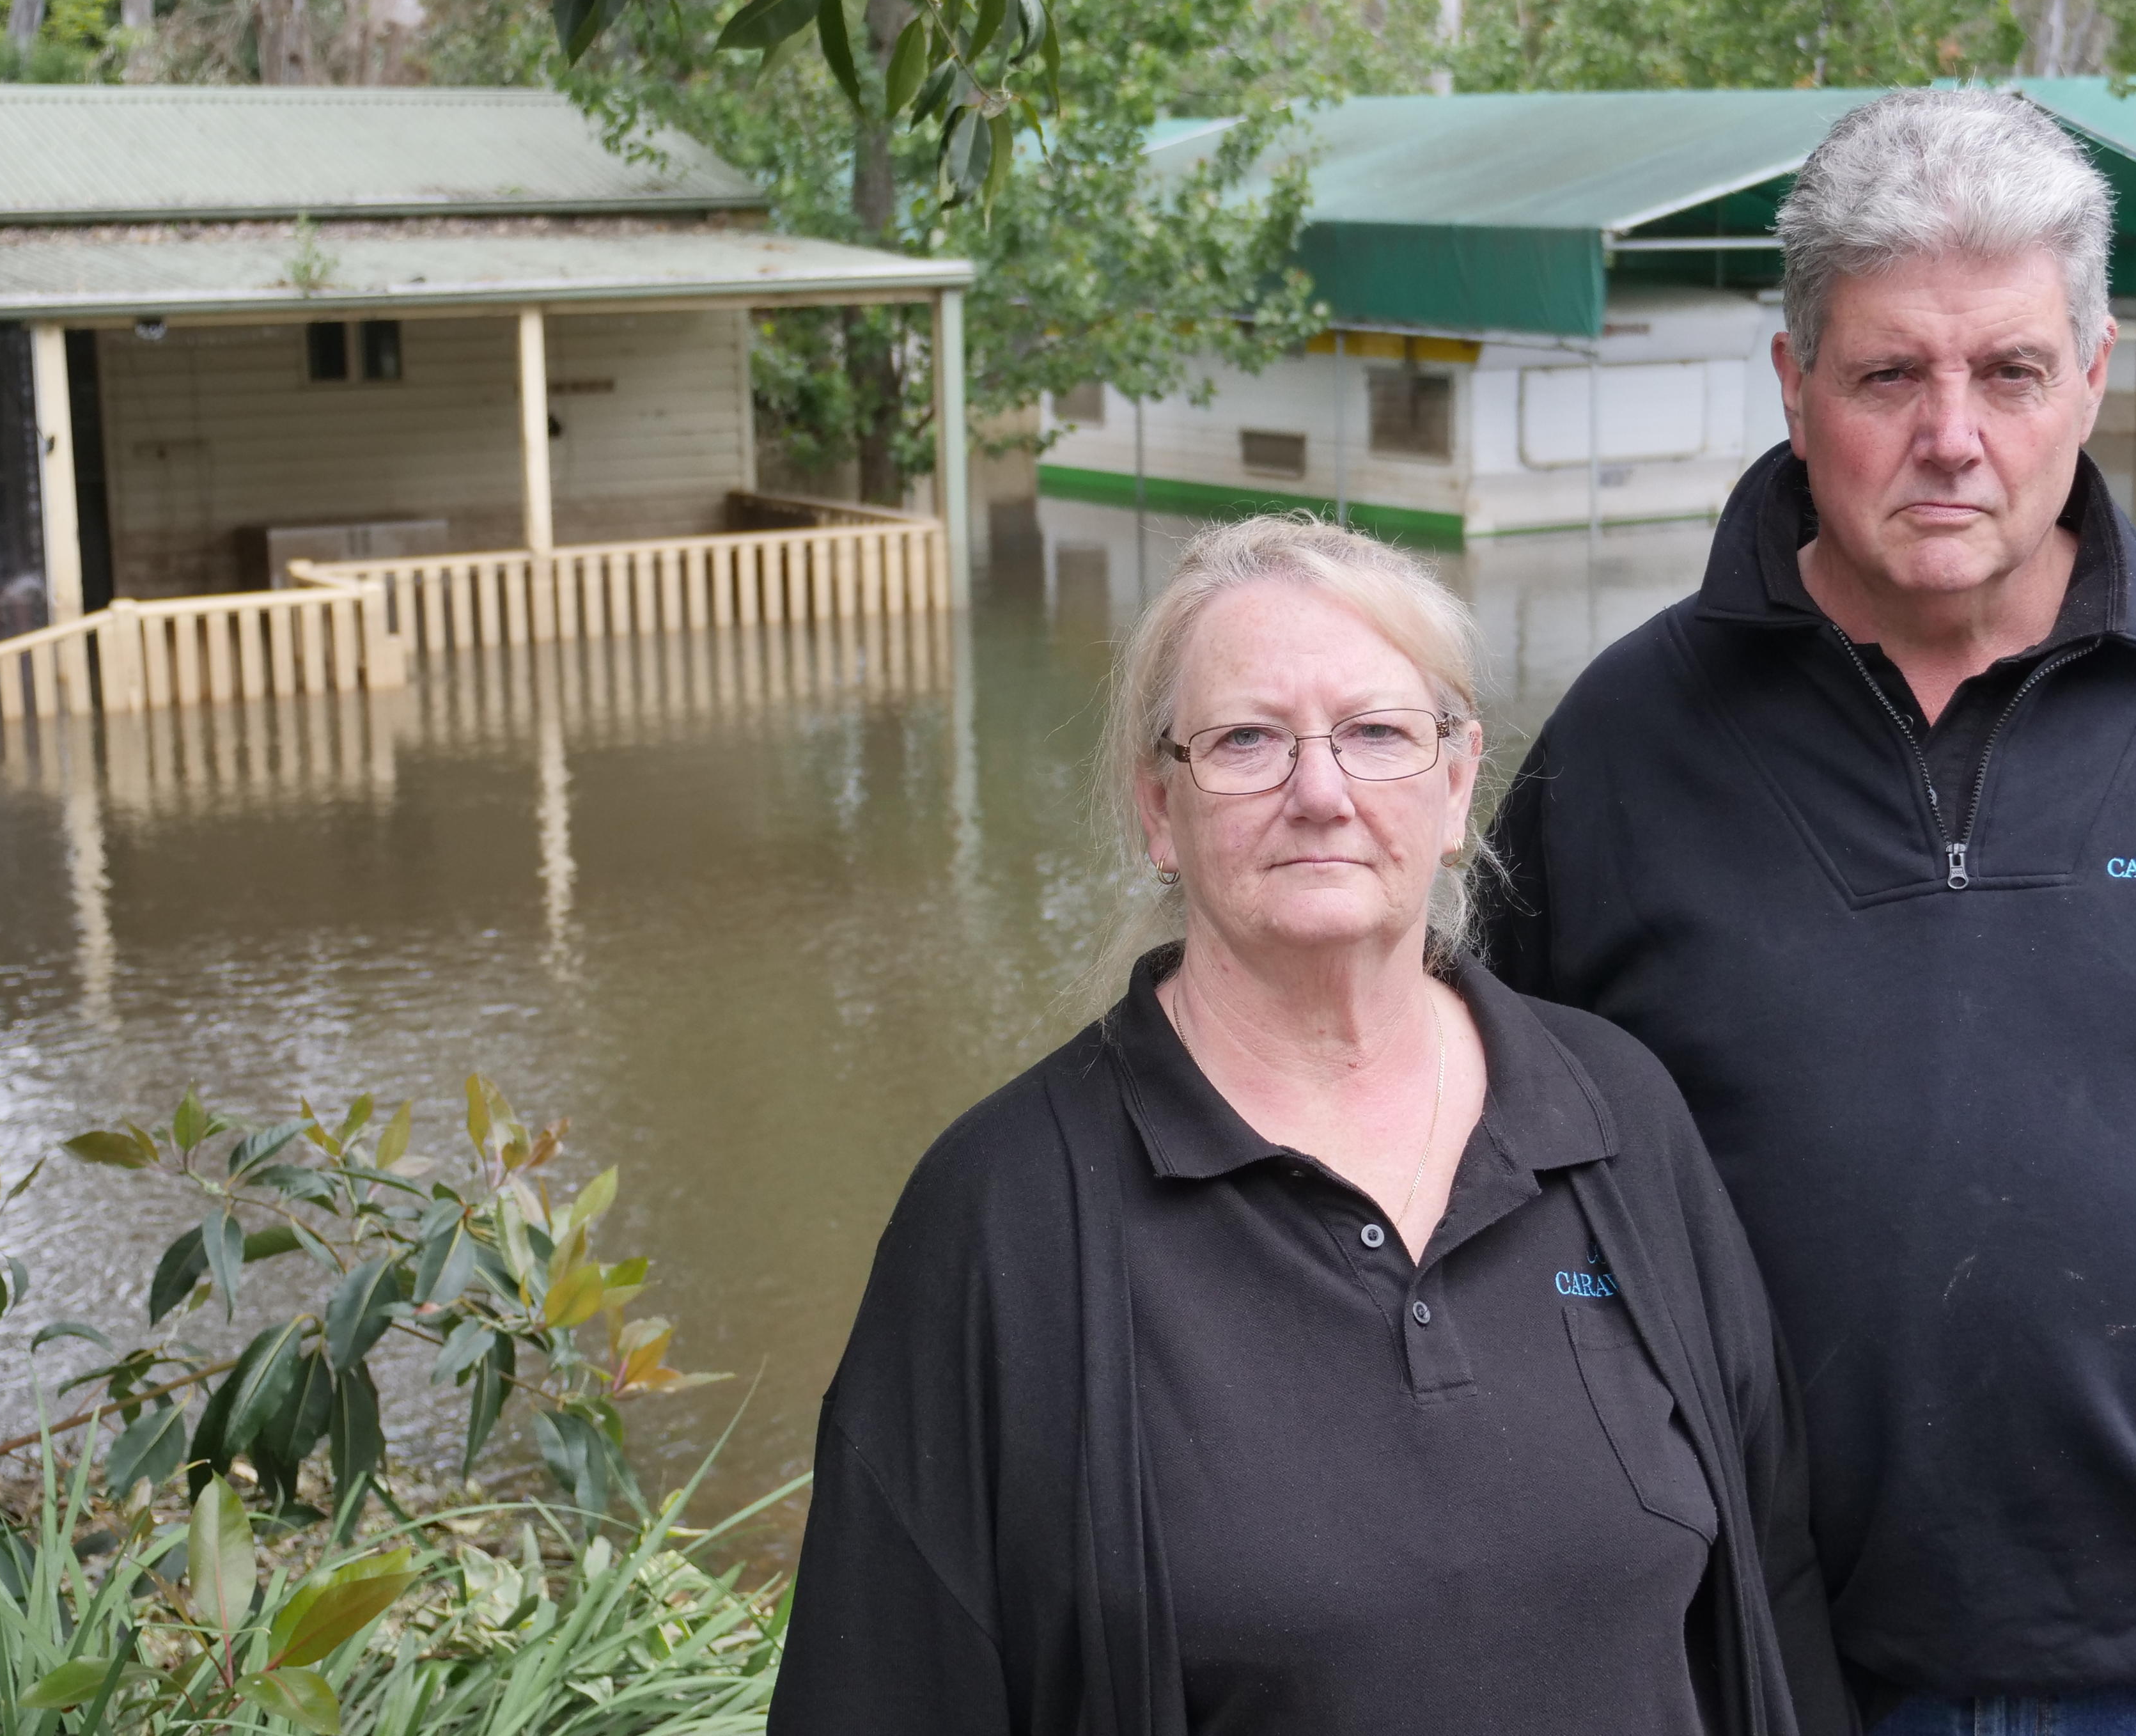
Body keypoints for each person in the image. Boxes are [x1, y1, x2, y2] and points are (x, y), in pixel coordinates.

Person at [1480, 88, 2136, 1736]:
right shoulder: (1625, 745)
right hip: (1776, 1662)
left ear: (2094, 374)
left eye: (2011, 371)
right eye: (1891, 372)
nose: (1952, 434)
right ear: (1795, 383)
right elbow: (1509, 1210)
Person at [772, 517, 1851, 1736]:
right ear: (1157, 811)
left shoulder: (1613, 1112)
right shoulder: (1006, 1214)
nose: (1321, 793)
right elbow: (880, 1692)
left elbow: (1773, 1581)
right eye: (1246, 741)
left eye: (1378, 734)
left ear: (1456, 787)